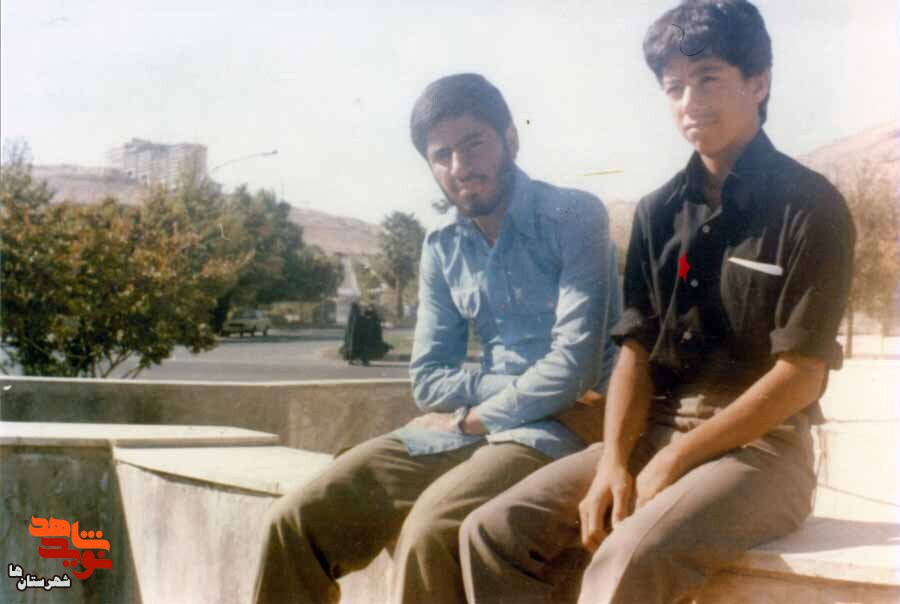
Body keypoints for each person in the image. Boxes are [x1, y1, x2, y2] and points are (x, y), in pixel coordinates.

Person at [459, 2, 855, 603]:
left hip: (764, 452)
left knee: (628, 558)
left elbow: (801, 376)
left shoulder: (811, 206)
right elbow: (635, 351)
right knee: (492, 532)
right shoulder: (657, 212)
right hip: (657, 431)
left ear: (759, 82)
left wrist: (674, 463)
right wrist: (614, 463)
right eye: (674, 86)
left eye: (708, 78)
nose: (690, 101)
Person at [252, 73, 621, 604]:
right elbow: (428, 380)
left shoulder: (573, 215)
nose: (459, 167)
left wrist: (472, 413)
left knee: (430, 534)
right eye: (441, 155)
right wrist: (487, 409)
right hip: (471, 427)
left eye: (473, 144)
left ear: (510, 139)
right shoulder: (442, 244)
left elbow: (573, 369)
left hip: (560, 431)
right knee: (295, 521)